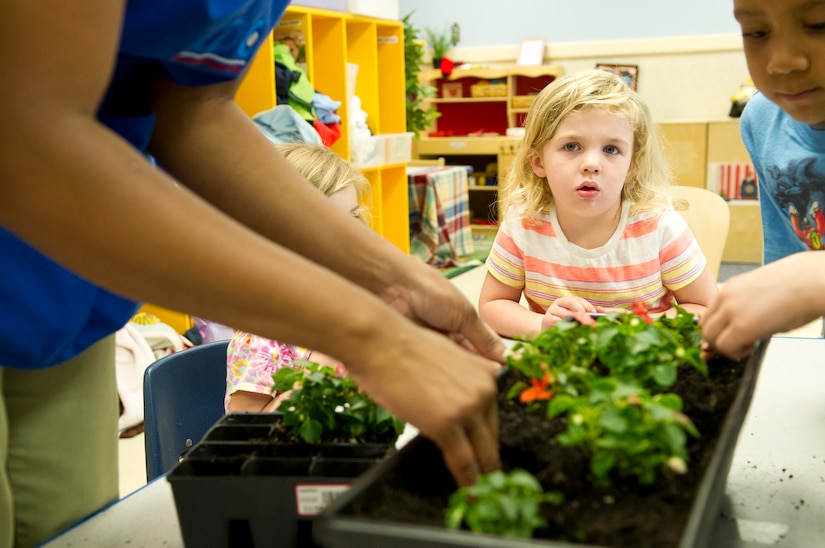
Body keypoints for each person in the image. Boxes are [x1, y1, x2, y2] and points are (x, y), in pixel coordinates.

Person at [0, 2, 504, 546]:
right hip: (38, 251)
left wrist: (402, 282)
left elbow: (194, 110)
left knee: (67, 534)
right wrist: (366, 332)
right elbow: (30, 135)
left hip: (63, 304)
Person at [478, 70, 718, 338]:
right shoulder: (523, 222)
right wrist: (541, 326)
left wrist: (641, 327)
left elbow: (707, 308)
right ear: (538, 162)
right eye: (571, 146)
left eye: (611, 149)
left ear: (632, 166)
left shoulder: (659, 227)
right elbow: (493, 304)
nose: (591, 164)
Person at [701, 0, 825, 359]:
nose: (782, 61)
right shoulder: (763, 120)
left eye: (819, 24)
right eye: (757, 32)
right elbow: (787, 257)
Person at [225, 143, 366, 413]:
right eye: (331, 223)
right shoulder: (263, 337)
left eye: (354, 216)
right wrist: (327, 362)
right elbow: (244, 434)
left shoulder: (346, 305)